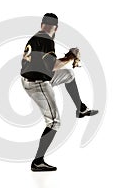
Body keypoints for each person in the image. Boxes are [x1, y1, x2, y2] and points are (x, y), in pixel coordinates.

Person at [20, 13, 98, 172]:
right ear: (56, 27)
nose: (49, 27)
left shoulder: (37, 37)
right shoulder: (46, 40)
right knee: (54, 122)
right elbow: (52, 66)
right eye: (51, 26)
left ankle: (80, 109)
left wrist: (68, 58)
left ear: (42, 24)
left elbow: (45, 65)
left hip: (34, 77)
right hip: (37, 84)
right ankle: (38, 161)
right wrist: (70, 57)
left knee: (69, 75)